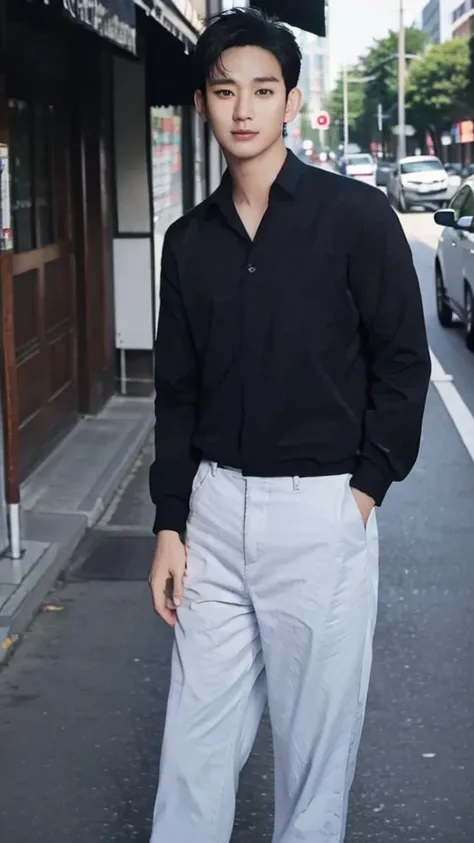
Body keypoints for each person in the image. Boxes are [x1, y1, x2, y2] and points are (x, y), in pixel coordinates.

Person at [148, 8, 431, 843]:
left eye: (262, 91)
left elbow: (402, 362)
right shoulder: (188, 241)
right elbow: (177, 392)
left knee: (313, 760)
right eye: (226, 90)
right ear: (203, 103)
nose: (244, 109)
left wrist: (365, 492)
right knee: (192, 750)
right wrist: (170, 522)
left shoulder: (357, 218)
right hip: (213, 518)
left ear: (291, 103)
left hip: (323, 513)